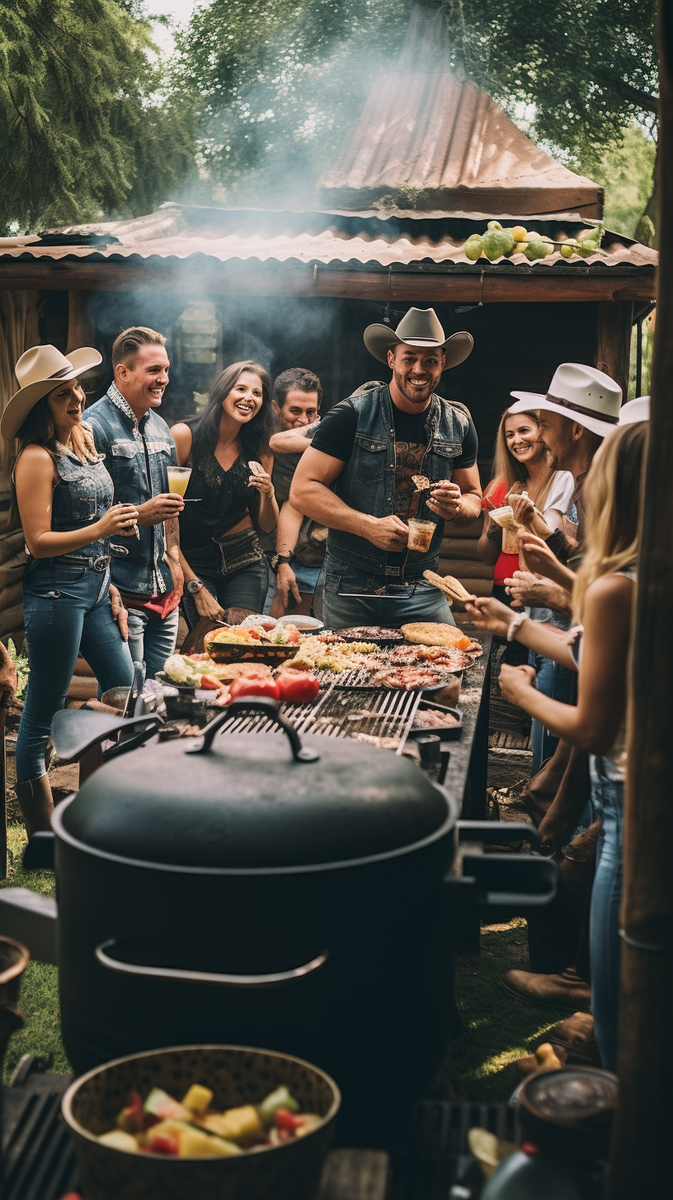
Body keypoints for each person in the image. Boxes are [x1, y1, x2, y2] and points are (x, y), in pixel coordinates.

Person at [466, 419, 647, 1071]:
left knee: (623, 947)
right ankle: (600, 1052)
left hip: (631, 790)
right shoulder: (639, 573)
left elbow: (593, 727)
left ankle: (601, 1090)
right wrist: (511, 620)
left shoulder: (616, 585)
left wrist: (520, 695)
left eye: (600, 477)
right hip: (634, 787)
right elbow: (586, 646)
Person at [1, 345, 137, 835]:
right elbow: (38, 544)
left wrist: (113, 588)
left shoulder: (81, 438)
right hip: (56, 595)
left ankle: (93, 816)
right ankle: (44, 839)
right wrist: (101, 529)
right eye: (63, 395)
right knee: (37, 720)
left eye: (77, 387)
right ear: (43, 406)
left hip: (98, 589)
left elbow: (93, 524)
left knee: (126, 695)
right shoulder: (35, 458)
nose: (77, 398)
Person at [290, 308, 481, 629]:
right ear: (392, 359)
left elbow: (474, 496)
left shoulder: (459, 424)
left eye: (430, 360)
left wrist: (458, 506)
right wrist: (366, 526)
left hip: (422, 583)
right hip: (350, 584)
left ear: (443, 363)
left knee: (448, 671)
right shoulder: (350, 415)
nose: (419, 369)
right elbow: (302, 490)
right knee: (344, 673)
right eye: (410, 358)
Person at [85, 327, 184, 679]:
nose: (164, 379)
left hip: (164, 593)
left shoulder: (161, 427)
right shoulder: (91, 427)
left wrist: (175, 557)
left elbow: (171, 506)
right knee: (126, 699)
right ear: (122, 372)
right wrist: (140, 515)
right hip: (119, 590)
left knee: (159, 695)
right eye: (154, 370)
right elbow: (80, 514)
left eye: (166, 370)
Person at [478, 409, 575, 719]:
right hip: (505, 589)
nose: (517, 440)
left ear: (542, 431)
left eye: (524, 430)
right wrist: (497, 522)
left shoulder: (564, 480)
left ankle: (536, 736)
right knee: (508, 672)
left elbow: (566, 547)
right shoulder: (501, 486)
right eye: (509, 435)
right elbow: (486, 554)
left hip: (547, 594)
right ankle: (506, 729)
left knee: (543, 672)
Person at [171, 361, 278, 626]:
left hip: (244, 559)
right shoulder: (185, 436)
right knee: (207, 640)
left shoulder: (261, 449)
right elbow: (165, 520)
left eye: (257, 393)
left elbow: (266, 525)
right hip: (193, 558)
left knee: (243, 641)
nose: (248, 398)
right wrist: (194, 585)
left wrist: (268, 493)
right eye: (240, 388)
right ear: (222, 391)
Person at [263, 368, 326, 617]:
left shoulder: (318, 431)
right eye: (295, 412)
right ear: (276, 408)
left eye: (310, 412)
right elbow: (277, 442)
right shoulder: (263, 436)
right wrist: (320, 442)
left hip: (312, 553)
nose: (303, 420)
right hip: (268, 551)